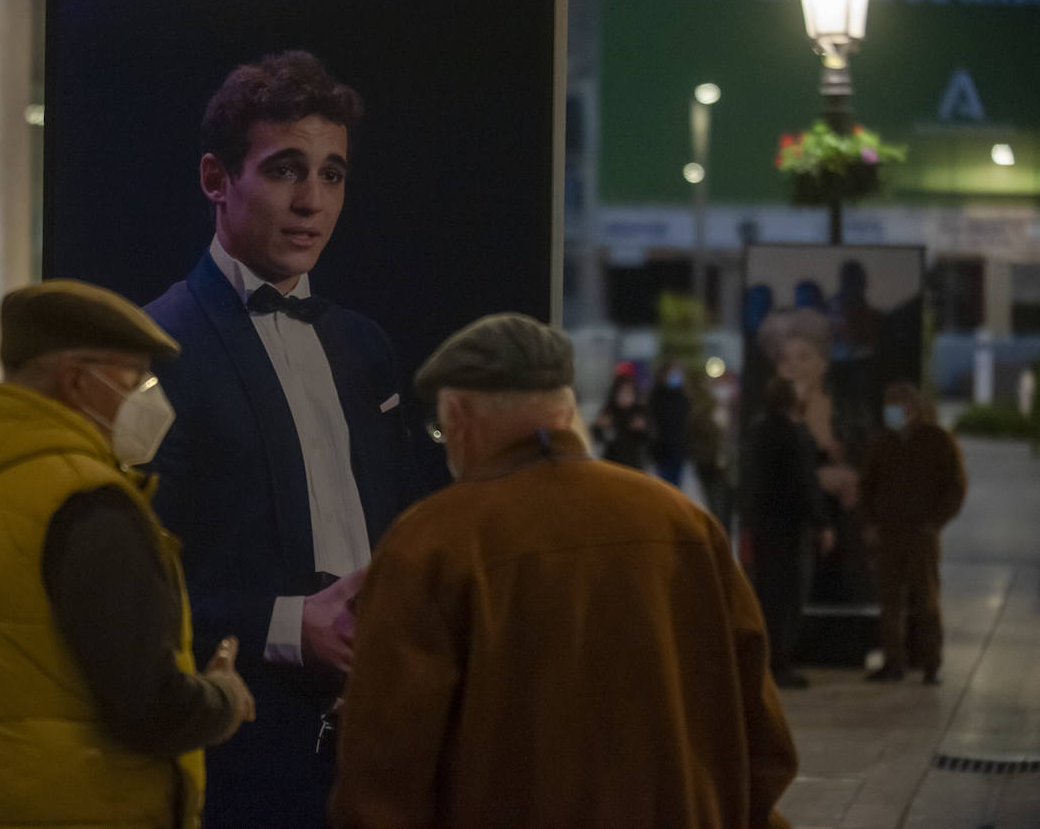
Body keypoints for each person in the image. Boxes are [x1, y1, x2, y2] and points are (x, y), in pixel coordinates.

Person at [331, 313, 799, 829]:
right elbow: (764, 742)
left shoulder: (430, 543)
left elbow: (385, 771)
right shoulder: (685, 526)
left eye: (442, 428)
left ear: (460, 415)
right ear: (568, 410)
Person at [0, 280, 255, 829]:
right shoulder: (87, 505)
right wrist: (224, 697)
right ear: (79, 381)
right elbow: (150, 706)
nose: (150, 399)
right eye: (136, 379)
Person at [144, 50, 417, 828]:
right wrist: (288, 625)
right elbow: (131, 591)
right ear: (215, 179)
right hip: (240, 747)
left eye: (332, 175)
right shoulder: (156, 347)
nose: (311, 202)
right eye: (285, 170)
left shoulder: (365, 348)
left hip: (375, 739)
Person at [758, 307, 874, 603]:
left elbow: (871, 468)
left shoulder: (852, 412)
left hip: (847, 545)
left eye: (803, 357)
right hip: (791, 539)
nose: (792, 367)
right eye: (783, 359)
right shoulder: (768, 423)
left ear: (823, 362)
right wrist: (818, 477)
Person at [859, 381, 967, 684]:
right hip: (889, 534)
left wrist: (936, 522)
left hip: (922, 534)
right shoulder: (884, 441)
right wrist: (869, 522)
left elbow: (956, 486)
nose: (890, 410)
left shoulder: (937, 440)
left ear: (912, 407)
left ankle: (931, 663)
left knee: (926, 600)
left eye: (896, 403)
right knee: (890, 600)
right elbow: (867, 484)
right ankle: (894, 661)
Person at [743, 376, 834, 688]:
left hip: (763, 526)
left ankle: (768, 661)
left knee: (768, 595)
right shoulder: (792, 435)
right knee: (789, 598)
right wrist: (822, 523)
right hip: (790, 528)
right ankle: (781, 663)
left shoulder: (758, 431)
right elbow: (803, 484)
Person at [589, 363, 648, 469]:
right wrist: (600, 427)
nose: (626, 397)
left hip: (634, 465)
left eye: (629, 393)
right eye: (623, 393)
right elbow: (597, 436)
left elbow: (648, 439)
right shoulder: (609, 410)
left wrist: (641, 429)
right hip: (613, 464)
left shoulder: (639, 412)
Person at [649, 359, 691, 486]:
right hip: (662, 448)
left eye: (678, 372)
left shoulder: (683, 397)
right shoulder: (657, 397)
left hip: (678, 448)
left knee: (676, 485)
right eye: (673, 372)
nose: (676, 376)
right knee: (664, 484)